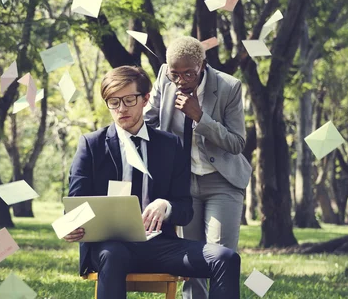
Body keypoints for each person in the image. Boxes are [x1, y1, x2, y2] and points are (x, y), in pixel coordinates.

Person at [64, 65, 241, 299]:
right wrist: (71, 225)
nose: (121, 109)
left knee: (226, 258)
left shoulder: (171, 146)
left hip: (160, 246)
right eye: (113, 102)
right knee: (113, 254)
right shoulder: (91, 145)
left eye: (128, 100)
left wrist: (166, 207)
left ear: (146, 98)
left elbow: (185, 209)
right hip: (109, 247)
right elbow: (76, 203)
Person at [144, 37, 251, 299]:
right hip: (183, 183)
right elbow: (148, 119)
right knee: (192, 258)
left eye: (188, 74)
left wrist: (200, 118)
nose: (180, 80)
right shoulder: (164, 77)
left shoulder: (228, 87)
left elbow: (237, 143)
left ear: (202, 65)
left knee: (218, 253)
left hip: (221, 181)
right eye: (174, 73)